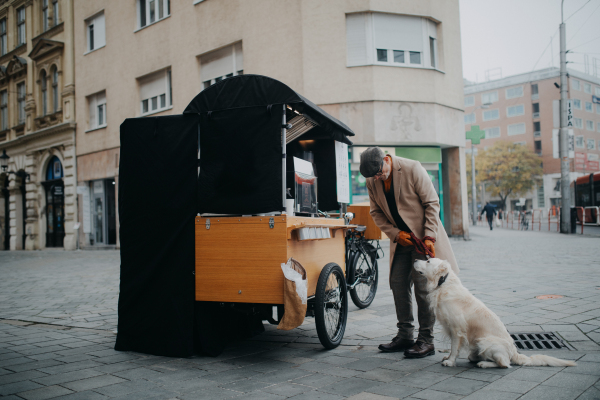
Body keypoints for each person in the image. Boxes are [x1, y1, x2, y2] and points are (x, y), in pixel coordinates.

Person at [360, 147, 459, 358]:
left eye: (379, 172)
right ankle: (405, 335)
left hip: (423, 238)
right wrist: (395, 234)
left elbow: (432, 203)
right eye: (374, 176)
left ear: (386, 159)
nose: (377, 178)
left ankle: (426, 340)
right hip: (401, 240)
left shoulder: (412, 168)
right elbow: (375, 212)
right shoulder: (372, 181)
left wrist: (430, 236)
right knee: (397, 283)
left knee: (423, 288)